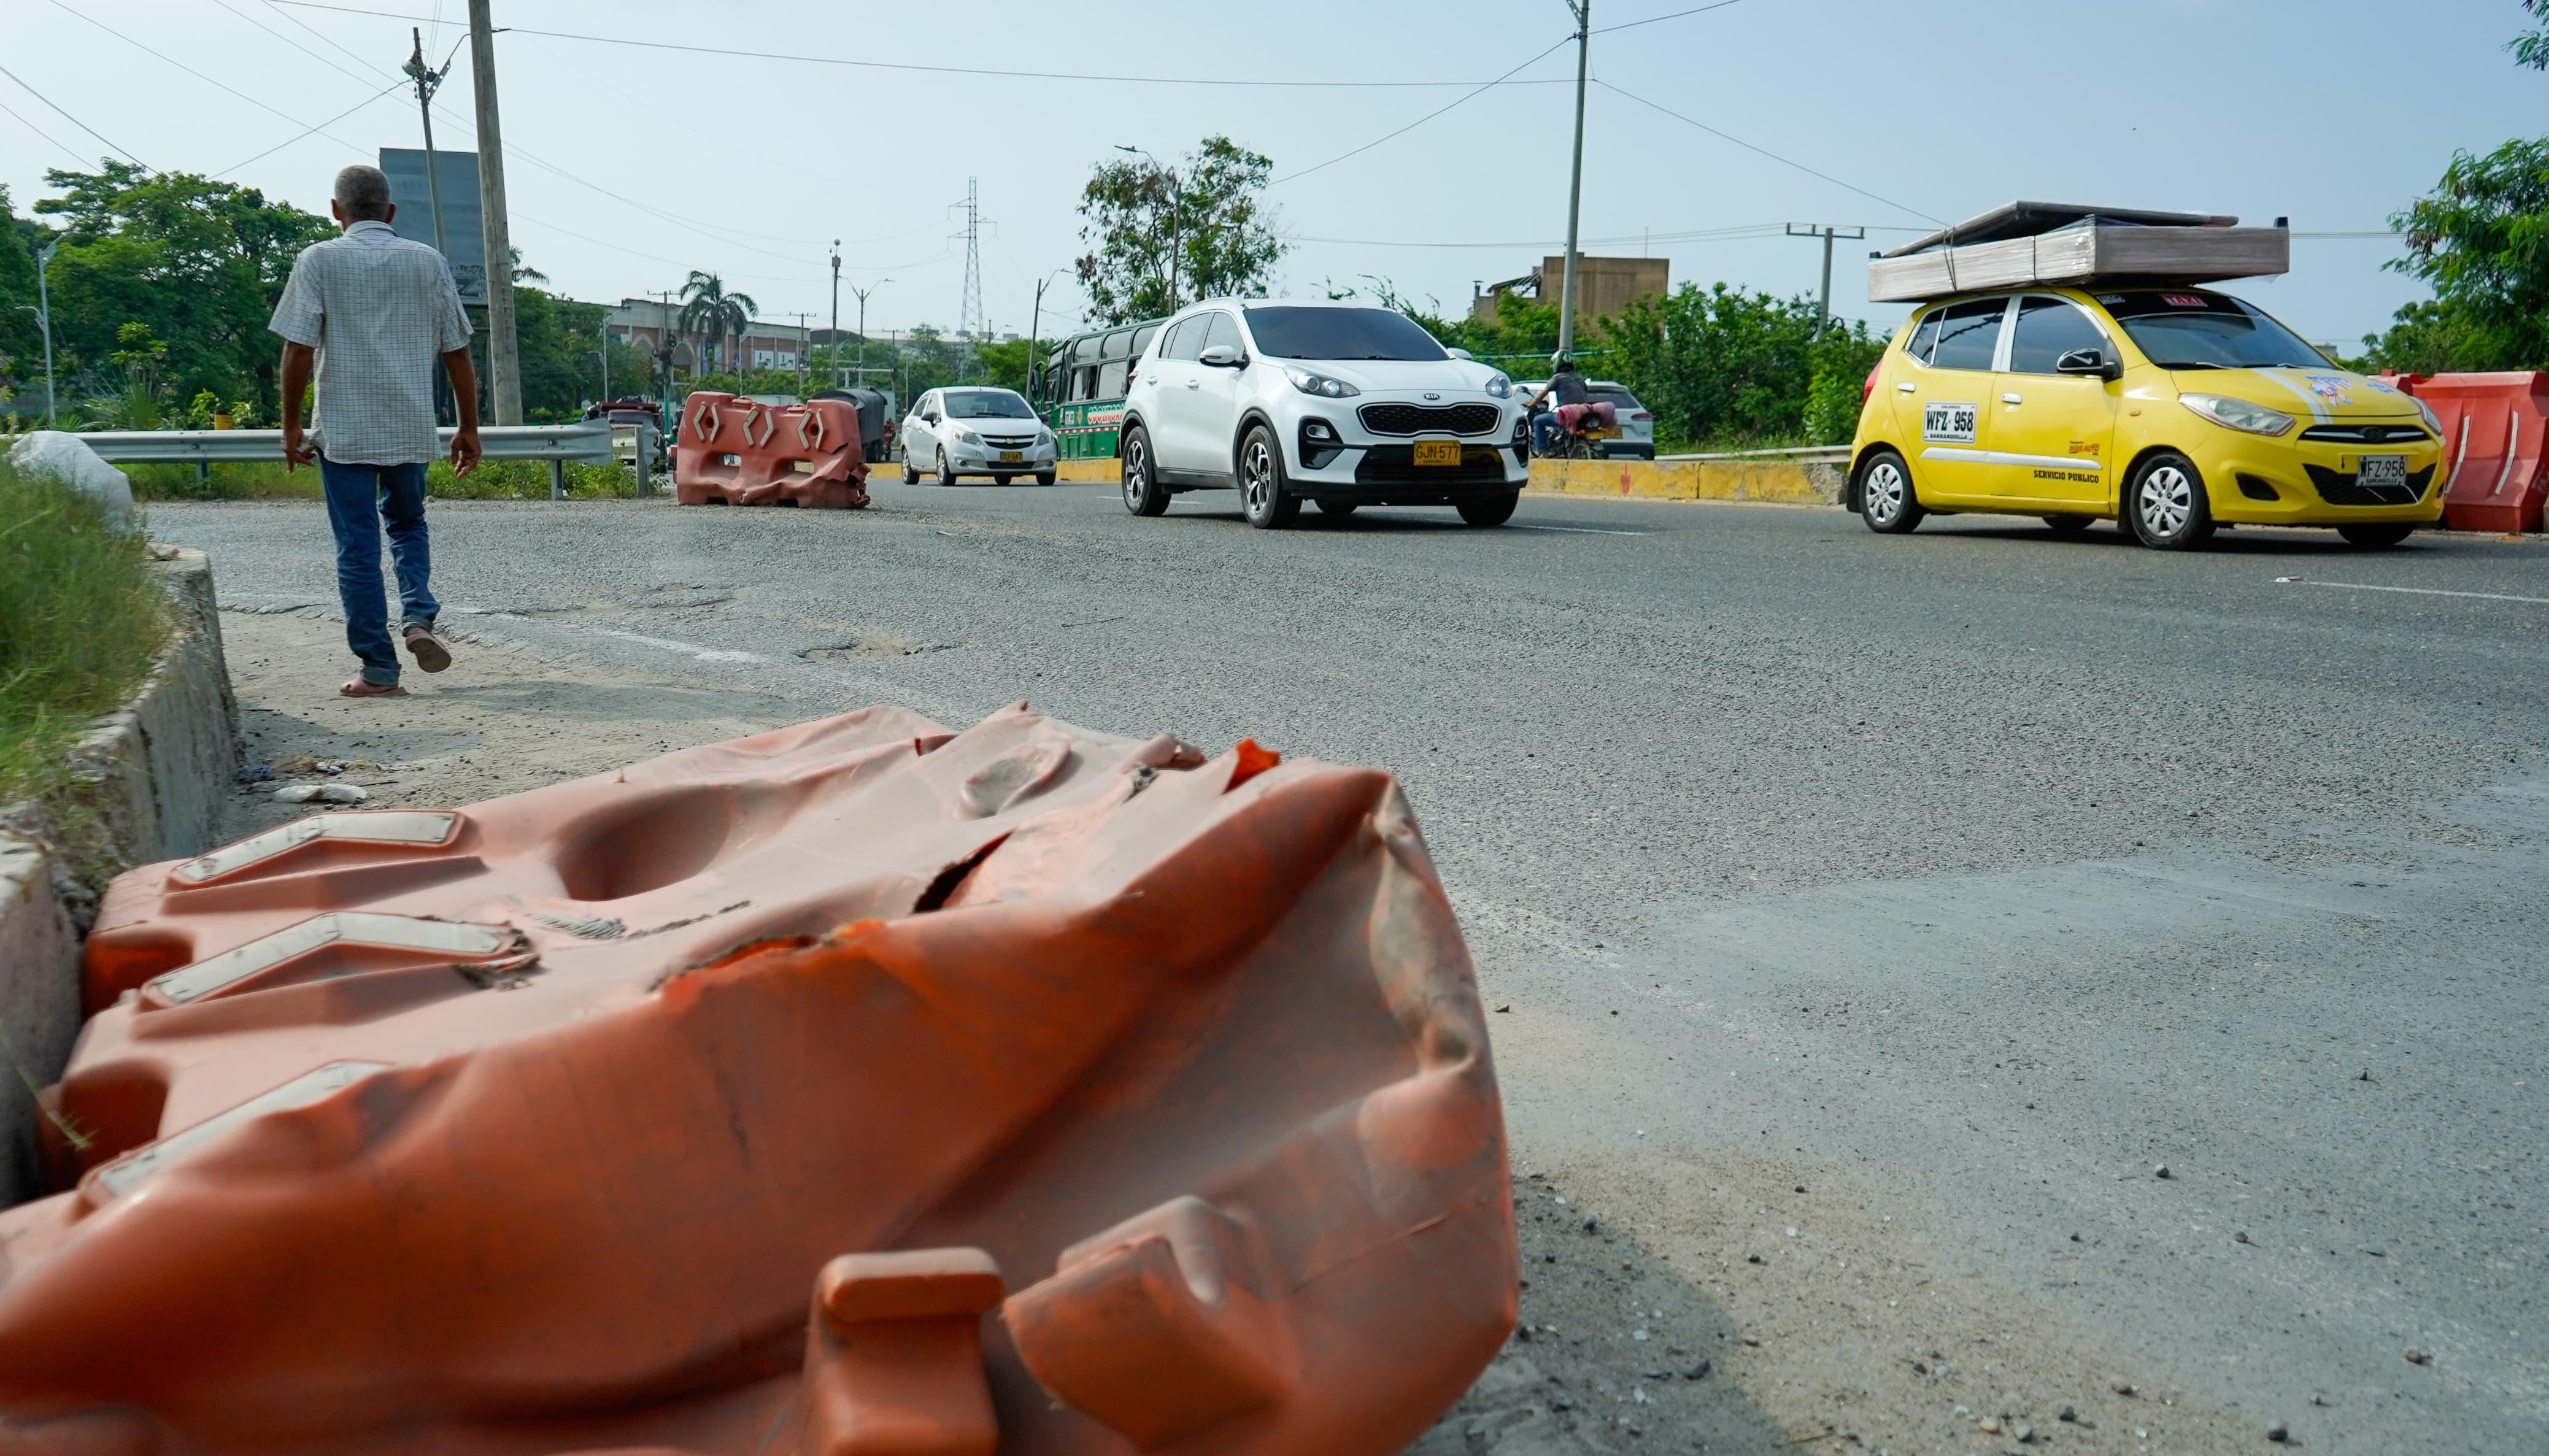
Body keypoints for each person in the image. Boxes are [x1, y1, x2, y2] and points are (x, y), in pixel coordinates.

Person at [270, 163, 481, 698]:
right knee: (408, 525)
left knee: (357, 546)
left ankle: (380, 670)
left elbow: (296, 349)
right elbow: (457, 352)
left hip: (344, 432)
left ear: (336, 211)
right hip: (409, 426)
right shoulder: (427, 262)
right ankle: (417, 619)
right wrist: (467, 428)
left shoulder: (317, 260)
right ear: (390, 213)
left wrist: (291, 425)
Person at [1524, 353, 1613, 455]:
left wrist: (1531, 404)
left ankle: (1543, 452)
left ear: (1556, 364)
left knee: (1537, 421)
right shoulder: (1579, 378)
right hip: (1583, 413)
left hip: (1568, 414)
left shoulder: (1558, 378)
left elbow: (1543, 393)